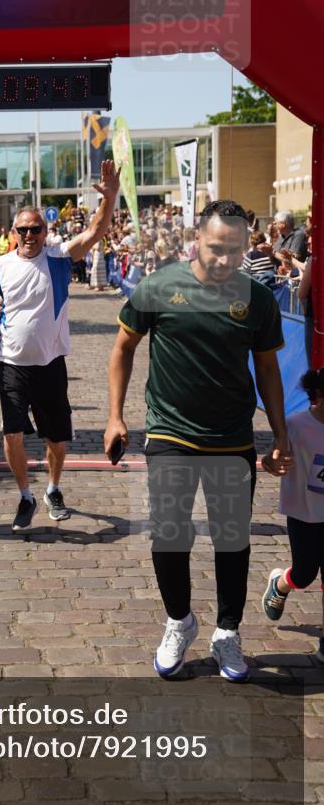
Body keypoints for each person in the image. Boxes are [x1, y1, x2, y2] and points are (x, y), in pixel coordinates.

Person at [105, 199, 291, 682]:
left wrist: (280, 436)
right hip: (170, 432)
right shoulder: (160, 286)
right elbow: (123, 347)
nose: (224, 259)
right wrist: (114, 417)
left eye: (234, 249)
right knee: (169, 534)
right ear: (196, 241)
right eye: (214, 248)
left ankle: (227, 633)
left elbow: (269, 370)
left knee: (232, 541)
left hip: (232, 439)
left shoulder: (260, 300)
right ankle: (179, 621)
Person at [0, 159, 121, 530]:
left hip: (51, 364)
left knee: (56, 441)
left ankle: (53, 489)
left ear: (46, 231)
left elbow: (93, 233)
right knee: (11, 434)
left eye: (36, 229)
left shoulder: (59, 257)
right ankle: (25, 495)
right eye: (23, 230)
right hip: (12, 364)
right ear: (13, 233)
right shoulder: (0, 265)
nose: (30, 235)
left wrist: (109, 199)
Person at [261, 367, 324, 664]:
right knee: (305, 573)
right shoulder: (296, 425)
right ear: (319, 395)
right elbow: (271, 458)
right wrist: (273, 462)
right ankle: (281, 583)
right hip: (304, 514)